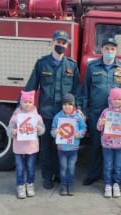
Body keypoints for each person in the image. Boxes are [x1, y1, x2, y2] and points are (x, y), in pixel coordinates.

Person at [24, 30, 83, 190]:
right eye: (58, 42)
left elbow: (77, 90)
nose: (61, 45)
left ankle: (59, 175)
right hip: (47, 114)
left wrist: (79, 109)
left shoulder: (71, 65)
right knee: (47, 148)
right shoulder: (42, 64)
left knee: (63, 145)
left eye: (64, 43)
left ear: (67, 45)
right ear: (52, 42)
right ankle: (47, 177)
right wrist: (20, 109)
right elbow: (31, 87)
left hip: (66, 116)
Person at [82, 36, 121, 186]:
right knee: (96, 145)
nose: (109, 51)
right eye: (107, 48)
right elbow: (85, 90)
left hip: (117, 117)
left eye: (112, 49)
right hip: (96, 113)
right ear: (102, 49)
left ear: (116, 50)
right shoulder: (92, 67)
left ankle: (114, 177)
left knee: (115, 146)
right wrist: (84, 111)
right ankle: (93, 175)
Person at [7, 90, 45, 199]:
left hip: (31, 147)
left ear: (33, 103)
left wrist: (39, 129)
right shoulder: (15, 116)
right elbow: (9, 129)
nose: (27, 104)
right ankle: (20, 186)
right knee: (19, 168)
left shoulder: (37, 117)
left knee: (30, 167)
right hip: (18, 147)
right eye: (25, 102)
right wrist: (12, 132)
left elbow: (43, 130)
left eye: (29, 102)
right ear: (21, 103)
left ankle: (30, 184)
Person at [97, 88, 121, 198]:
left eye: (119, 99)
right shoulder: (105, 112)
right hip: (107, 144)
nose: (117, 101)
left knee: (118, 166)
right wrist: (101, 122)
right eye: (115, 99)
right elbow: (98, 127)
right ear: (110, 100)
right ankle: (108, 184)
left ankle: (116, 184)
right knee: (108, 165)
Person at [51, 93, 87, 196]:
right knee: (63, 167)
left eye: (70, 104)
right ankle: (63, 185)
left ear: (73, 105)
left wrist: (78, 134)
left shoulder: (78, 117)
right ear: (62, 105)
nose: (67, 106)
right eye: (65, 104)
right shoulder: (57, 117)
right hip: (61, 148)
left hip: (73, 148)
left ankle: (70, 185)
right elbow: (52, 130)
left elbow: (84, 128)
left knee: (71, 167)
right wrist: (55, 132)